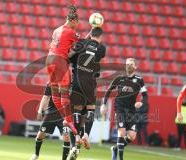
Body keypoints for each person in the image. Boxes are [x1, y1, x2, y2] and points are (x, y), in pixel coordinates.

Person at [67, 27, 106, 159]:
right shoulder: (101, 48)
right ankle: (86, 135)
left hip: (77, 81)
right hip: (90, 82)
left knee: (76, 111)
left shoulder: (81, 43)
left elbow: (70, 55)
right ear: (100, 37)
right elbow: (96, 56)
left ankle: (77, 136)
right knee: (90, 108)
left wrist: (83, 40)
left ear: (90, 35)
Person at [101, 58, 148, 160]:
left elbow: (145, 95)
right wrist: (104, 104)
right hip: (120, 108)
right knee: (121, 132)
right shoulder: (119, 79)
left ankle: (115, 148)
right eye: (127, 64)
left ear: (135, 67)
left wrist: (141, 102)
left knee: (132, 136)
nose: (129, 66)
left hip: (131, 110)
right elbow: (108, 91)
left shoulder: (139, 80)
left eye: (131, 64)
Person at [45, 5, 80, 135]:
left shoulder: (56, 30)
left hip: (49, 60)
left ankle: (65, 118)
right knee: (64, 92)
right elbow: (80, 45)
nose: (77, 25)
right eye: (77, 23)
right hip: (60, 61)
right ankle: (69, 120)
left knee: (54, 92)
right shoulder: (71, 32)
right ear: (73, 21)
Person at [30, 85, 70, 160]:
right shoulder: (51, 83)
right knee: (40, 134)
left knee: (66, 136)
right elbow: (45, 97)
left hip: (63, 115)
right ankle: (36, 154)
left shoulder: (68, 82)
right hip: (51, 113)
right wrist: (40, 111)